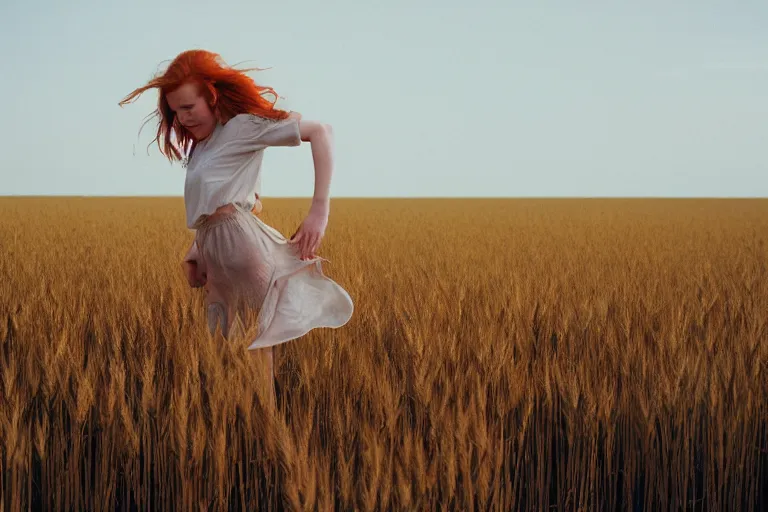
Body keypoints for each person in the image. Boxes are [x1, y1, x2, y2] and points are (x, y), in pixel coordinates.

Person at [119, 49, 354, 398]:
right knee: (224, 359)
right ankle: (243, 435)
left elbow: (322, 131)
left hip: (241, 254)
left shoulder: (241, 127)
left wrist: (319, 211)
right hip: (217, 254)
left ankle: (267, 437)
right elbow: (238, 202)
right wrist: (197, 247)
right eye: (175, 111)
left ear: (212, 97)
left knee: (254, 357)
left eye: (189, 107)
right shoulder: (202, 146)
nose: (182, 118)